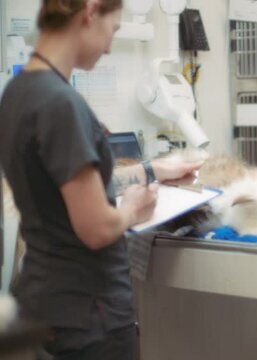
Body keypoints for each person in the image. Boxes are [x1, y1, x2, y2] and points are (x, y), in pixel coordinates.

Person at [0, 0, 202, 358]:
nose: (110, 44)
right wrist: (133, 211)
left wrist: (153, 170)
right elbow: (96, 227)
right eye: (114, 28)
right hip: (89, 316)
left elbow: (68, 188)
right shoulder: (61, 104)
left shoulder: (17, 94)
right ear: (90, 11)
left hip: (42, 301)